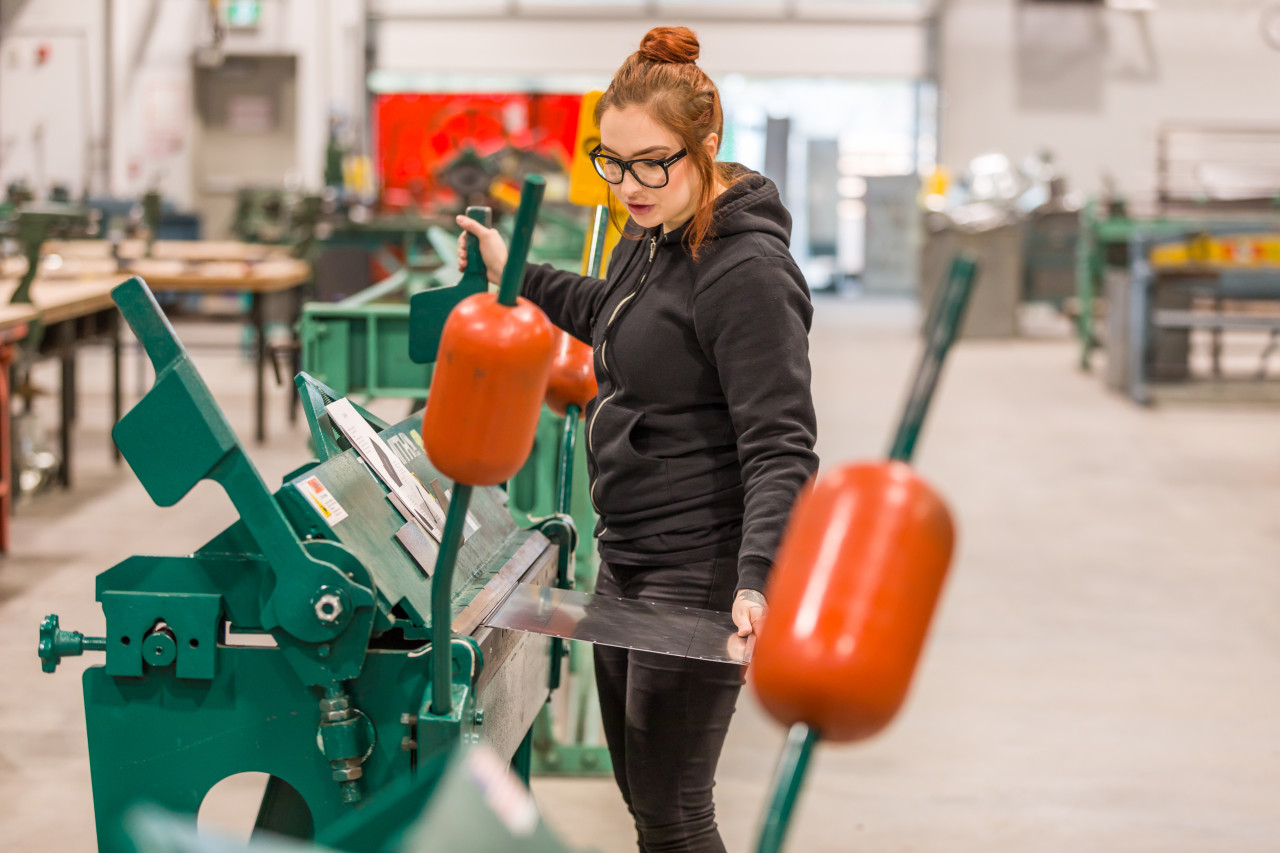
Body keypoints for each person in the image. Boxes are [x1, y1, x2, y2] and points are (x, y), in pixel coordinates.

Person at [456, 26, 818, 853]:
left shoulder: (749, 275)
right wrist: (516, 273)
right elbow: (611, 318)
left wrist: (758, 578)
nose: (630, 185)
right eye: (612, 162)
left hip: (700, 568)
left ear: (707, 146)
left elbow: (781, 445)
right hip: (629, 555)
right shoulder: (652, 232)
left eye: (652, 162)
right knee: (646, 799)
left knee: (674, 809)